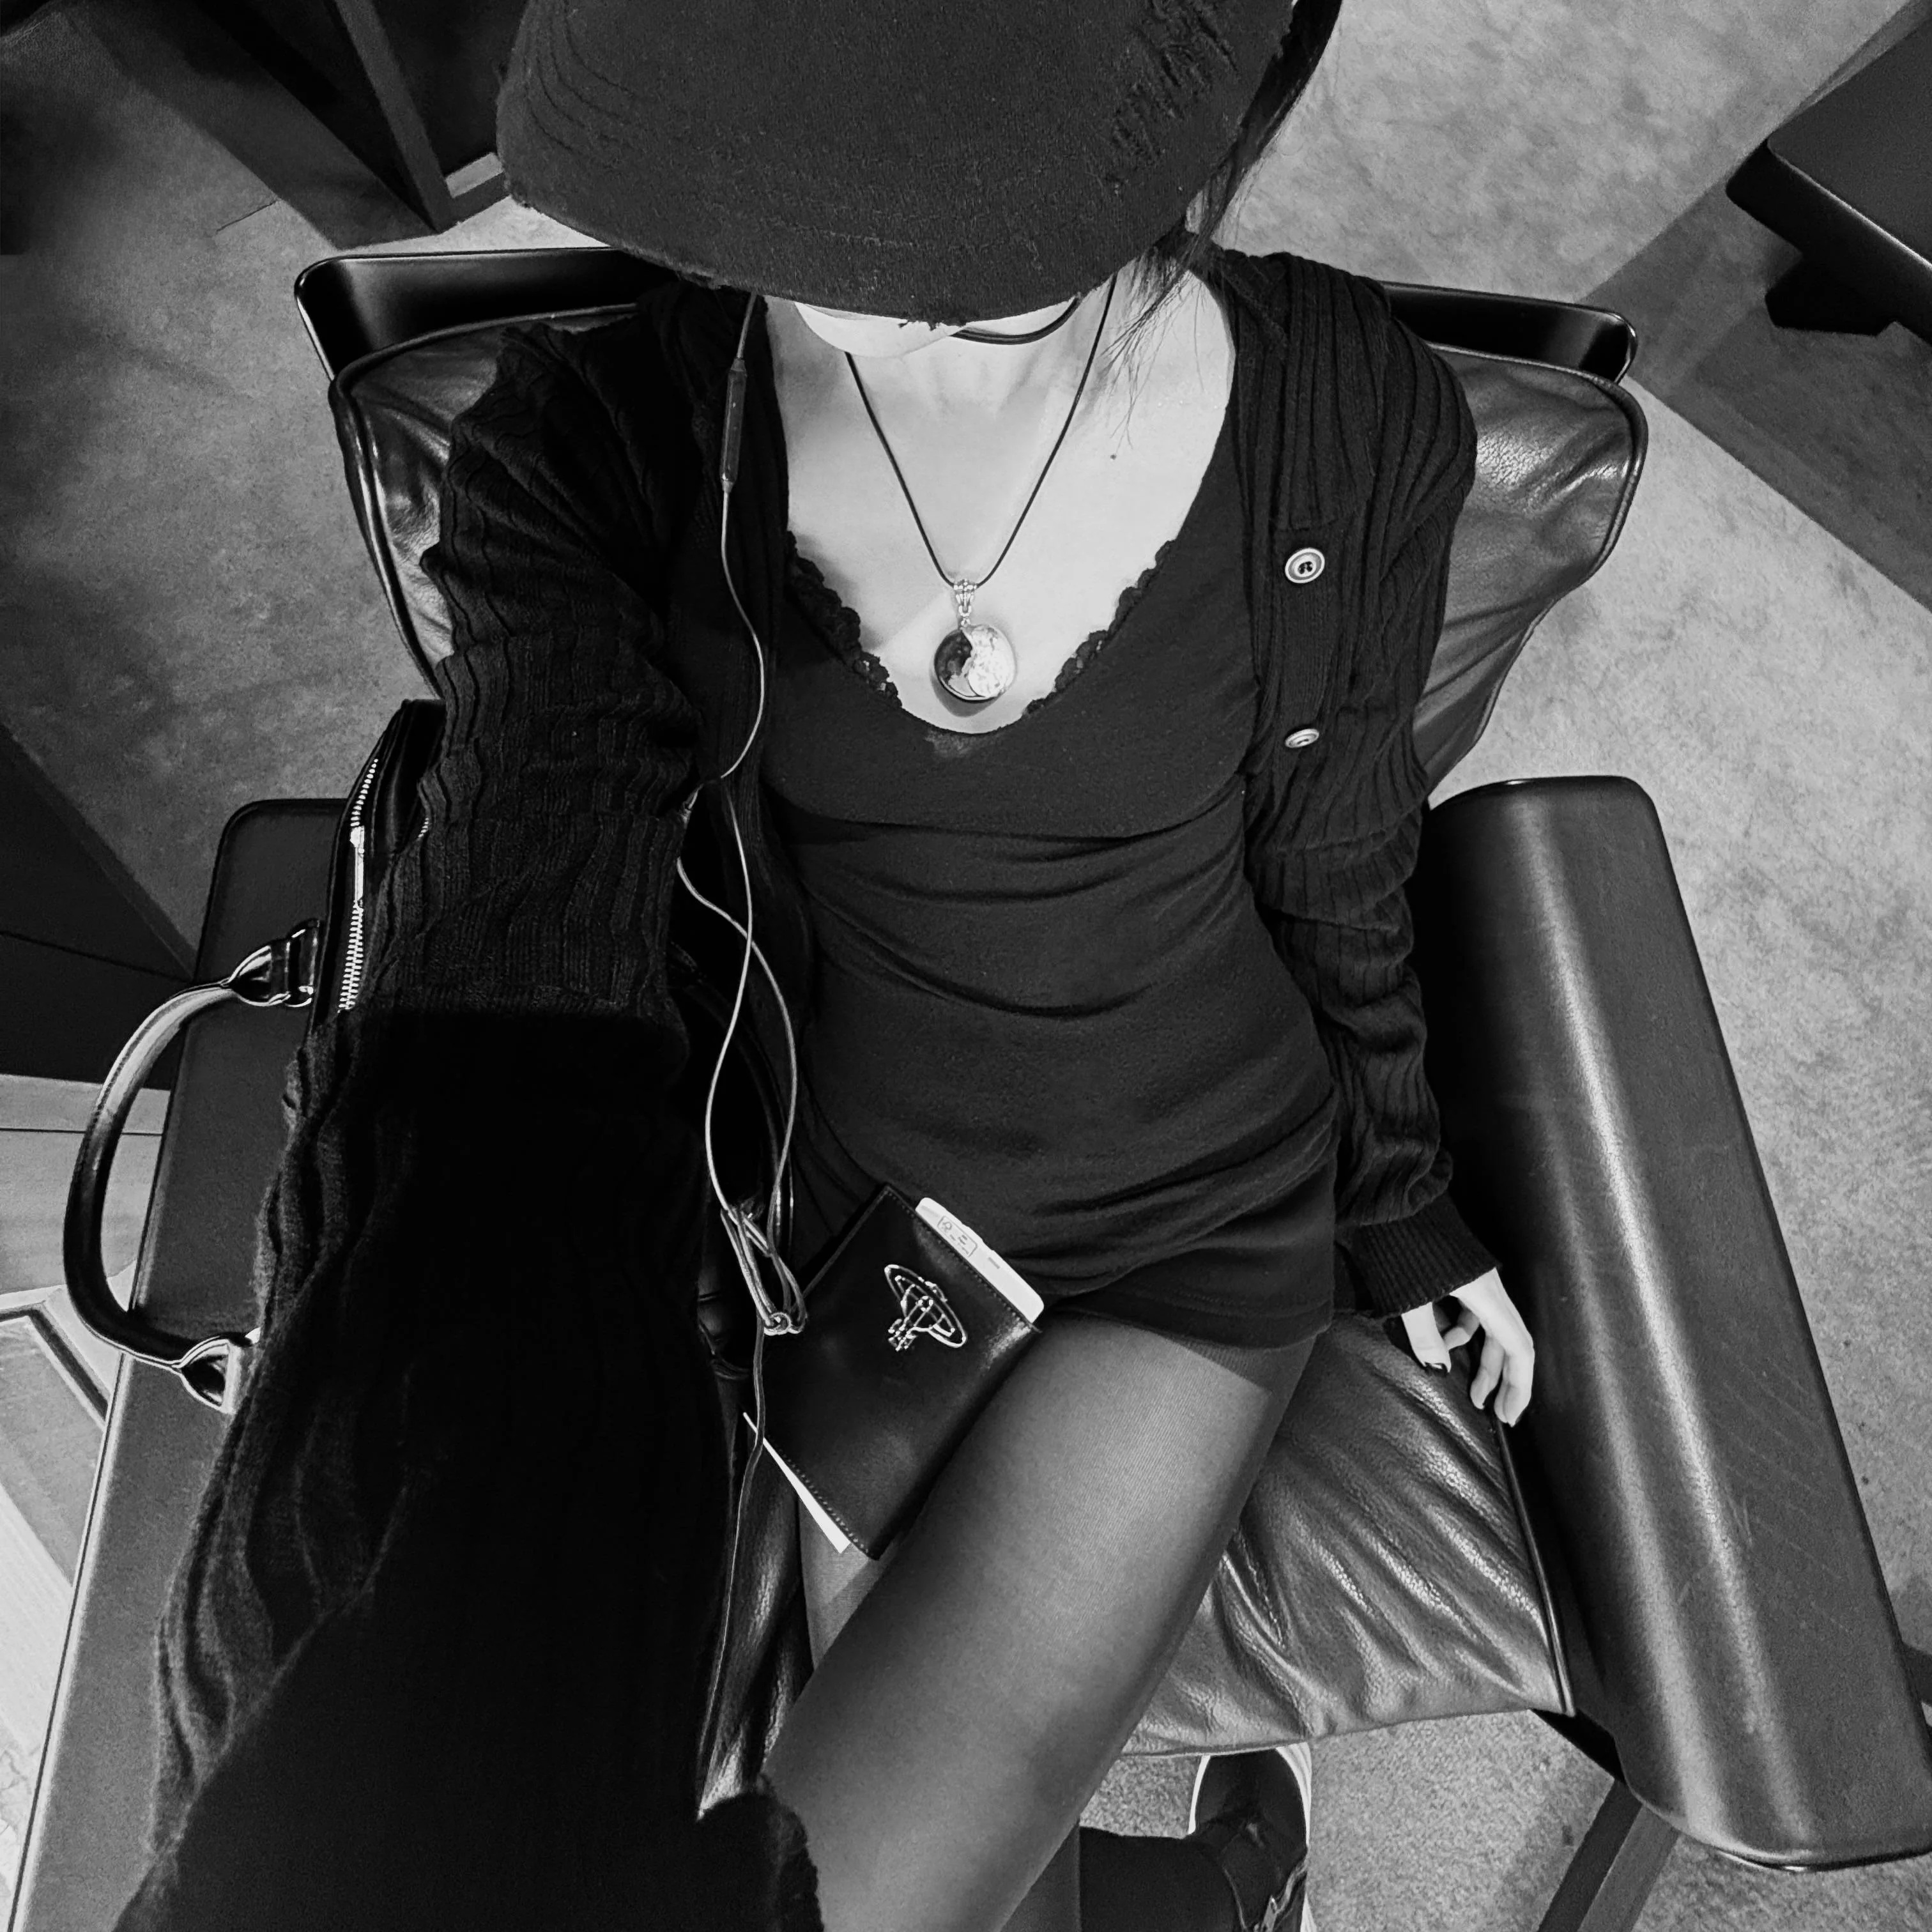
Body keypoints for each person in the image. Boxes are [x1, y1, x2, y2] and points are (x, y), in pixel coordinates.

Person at [113, 3, 1537, 1929]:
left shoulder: (1351, 411)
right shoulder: (593, 444)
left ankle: (1204, 1885)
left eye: (965, 267)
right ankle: (1210, 1891)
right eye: (782, 210)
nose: (847, 300)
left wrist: (1402, 1193)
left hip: (1198, 1224)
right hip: (827, 1231)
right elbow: (521, 913)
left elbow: (1339, 851)